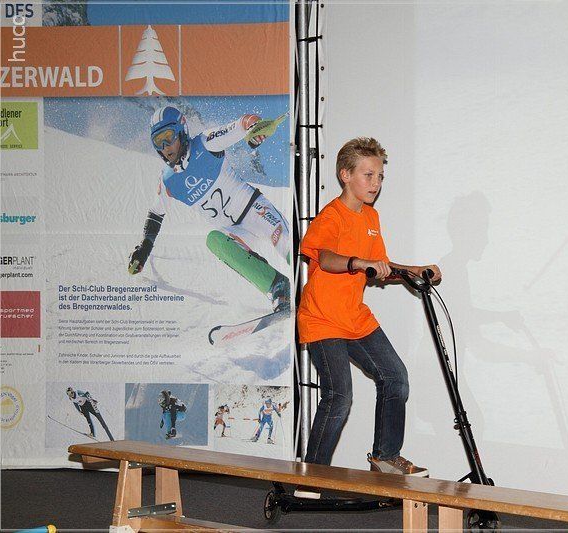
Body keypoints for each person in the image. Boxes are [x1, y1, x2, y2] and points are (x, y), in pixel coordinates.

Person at [295, 137, 441, 498]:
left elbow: (381, 267)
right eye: (368, 175)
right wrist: (358, 262)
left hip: (354, 318)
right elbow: (325, 258)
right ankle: (311, 478)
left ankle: (385, 457)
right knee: (339, 395)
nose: (375, 183)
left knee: (395, 377)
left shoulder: (371, 218)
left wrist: (414, 271)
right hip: (322, 318)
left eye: (380, 176)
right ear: (345, 175)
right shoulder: (331, 216)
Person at [128, 106, 291, 314]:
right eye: (158, 142)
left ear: (181, 130)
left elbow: (241, 124)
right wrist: (144, 249)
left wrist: (254, 128)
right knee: (214, 240)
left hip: (255, 211)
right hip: (236, 233)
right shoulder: (169, 180)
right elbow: (156, 213)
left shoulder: (206, 143)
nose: (165, 146)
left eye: (168, 137)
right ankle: (278, 287)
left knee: (291, 249)